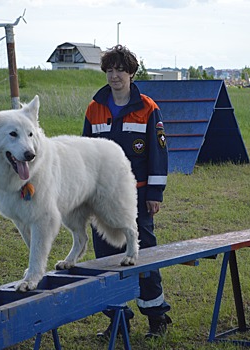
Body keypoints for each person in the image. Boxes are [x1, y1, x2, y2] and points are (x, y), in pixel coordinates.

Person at [82, 45, 171, 339]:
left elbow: (158, 154)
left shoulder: (148, 108)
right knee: (106, 258)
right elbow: (84, 152)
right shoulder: (95, 107)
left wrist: (155, 193)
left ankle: (156, 317)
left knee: (143, 254)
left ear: (132, 73)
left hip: (136, 198)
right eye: (109, 70)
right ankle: (118, 320)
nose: (114, 75)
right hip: (100, 198)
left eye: (120, 70)